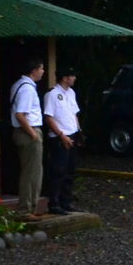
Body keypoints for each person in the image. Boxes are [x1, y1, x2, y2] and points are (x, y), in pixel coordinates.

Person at [9, 59, 46, 216]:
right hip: (28, 131)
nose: (43, 72)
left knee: (29, 170)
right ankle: (26, 209)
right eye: (41, 68)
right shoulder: (27, 89)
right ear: (34, 70)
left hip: (24, 131)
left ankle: (28, 206)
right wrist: (33, 134)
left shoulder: (19, 85)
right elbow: (20, 114)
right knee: (32, 172)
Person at [42, 66, 81, 214]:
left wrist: (79, 131)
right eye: (72, 76)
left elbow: (74, 114)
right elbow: (48, 117)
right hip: (59, 136)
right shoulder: (52, 94)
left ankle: (66, 201)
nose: (74, 78)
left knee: (70, 171)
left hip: (72, 134)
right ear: (65, 78)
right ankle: (54, 203)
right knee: (58, 171)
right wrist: (61, 135)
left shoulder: (71, 93)